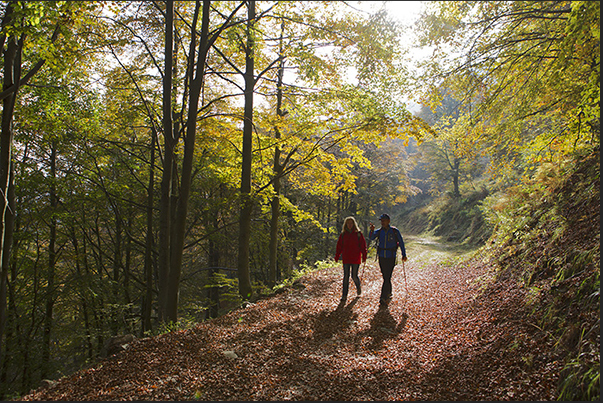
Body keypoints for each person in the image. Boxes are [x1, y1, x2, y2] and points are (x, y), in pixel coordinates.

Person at [369, 213, 407, 306]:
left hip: (391, 256)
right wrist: (372, 230)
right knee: (386, 276)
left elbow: (401, 242)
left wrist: (404, 254)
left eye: (384, 220)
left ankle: (383, 297)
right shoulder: (379, 231)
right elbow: (371, 237)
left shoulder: (394, 231)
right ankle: (389, 292)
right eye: (381, 221)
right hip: (382, 256)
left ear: (388, 221)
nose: (382, 222)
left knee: (387, 276)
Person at [335, 216, 367, 302]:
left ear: (354, 224)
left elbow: (363, 246)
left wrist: (364, 256)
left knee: (354, 276)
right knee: (346, 277)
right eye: (348, 223)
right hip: (346, 258)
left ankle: (358, 287)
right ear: (345, 224)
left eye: (351, 223)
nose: (349, 225)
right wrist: (337, 256)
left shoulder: (358, 234)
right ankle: (344, 295)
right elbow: (339, 246)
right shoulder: (343, 235)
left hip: (355, 258)